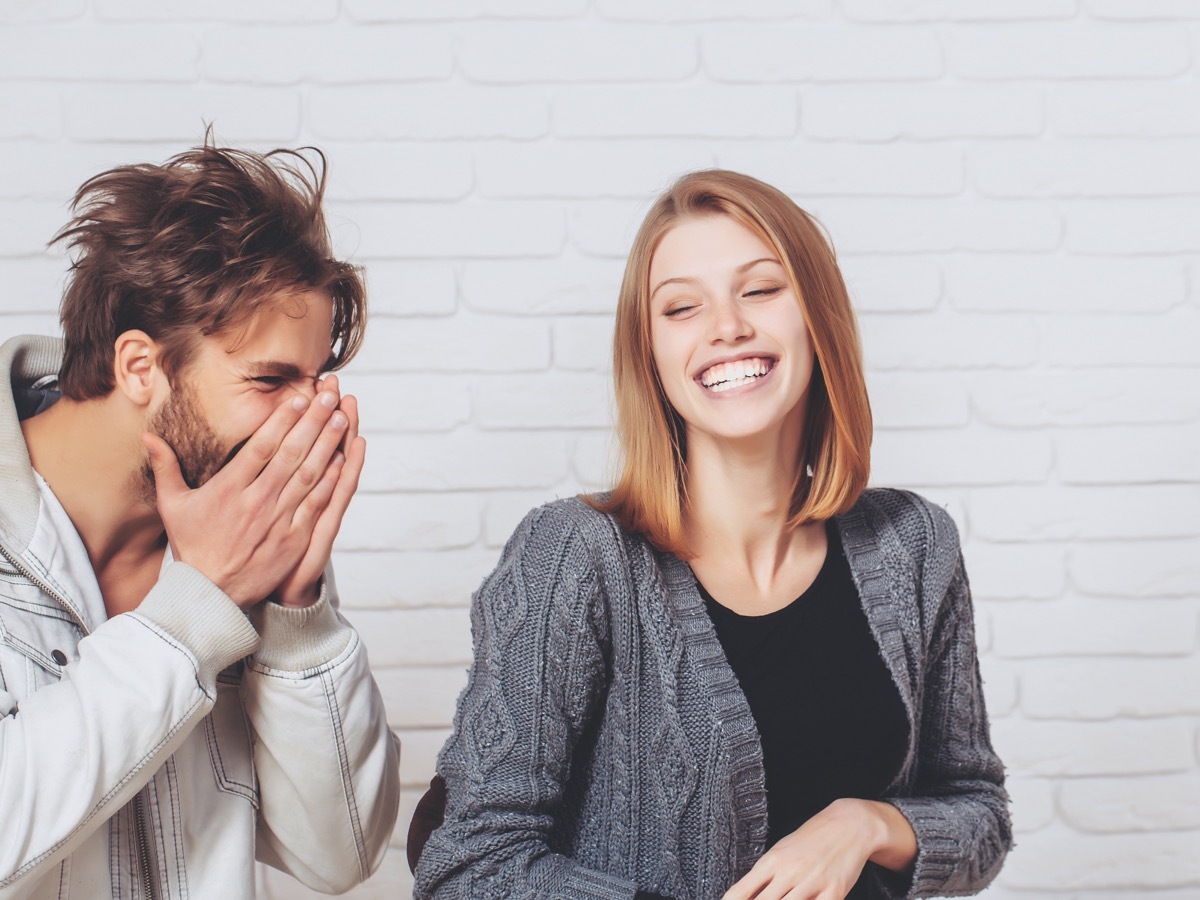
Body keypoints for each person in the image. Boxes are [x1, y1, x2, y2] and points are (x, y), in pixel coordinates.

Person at [412, 170, 1011, 899]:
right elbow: (469, 866)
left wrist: (865, 824)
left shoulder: (913, 545)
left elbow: (980, 815)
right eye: (682, 307)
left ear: (817, 316)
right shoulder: (576, 556)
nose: (726, 326)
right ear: (650, 353)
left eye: (760, 289)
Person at [0, 142, 401, 898]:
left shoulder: (249, 536)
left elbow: (338, 856)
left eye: (316, 380)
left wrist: (297, 614)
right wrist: (194, 611)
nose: (311, 415)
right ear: (140, 367)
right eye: (270, 379)